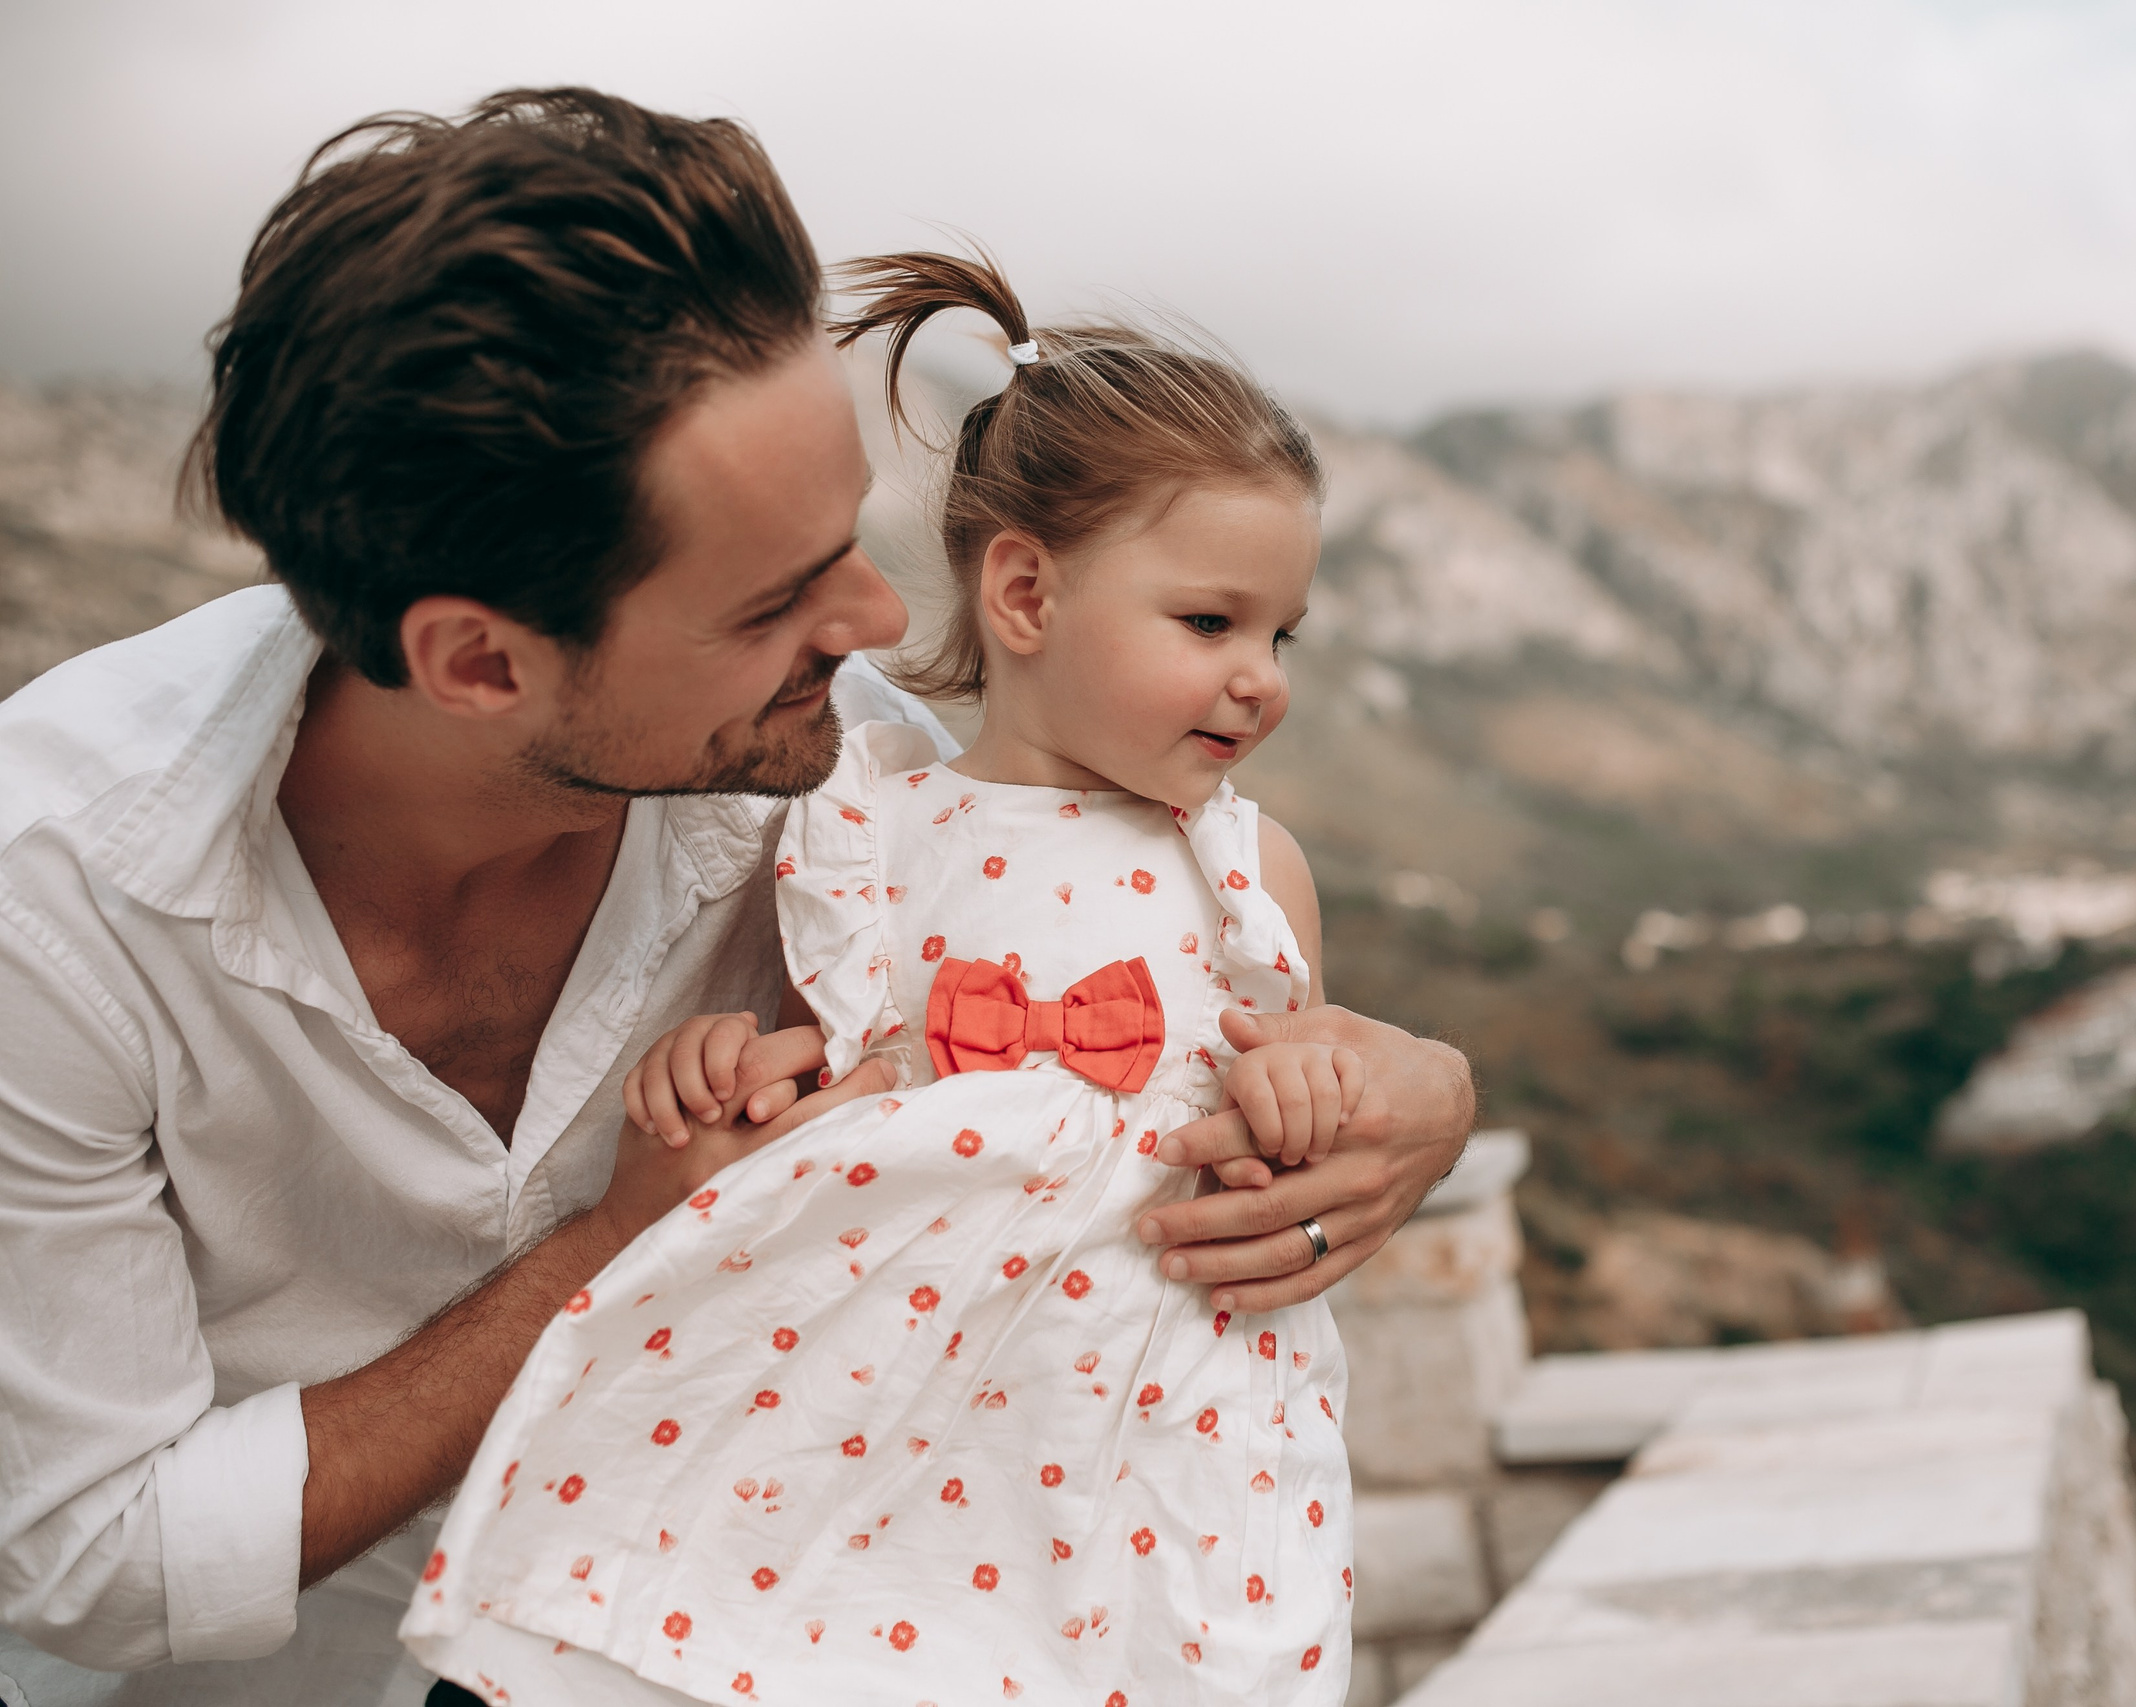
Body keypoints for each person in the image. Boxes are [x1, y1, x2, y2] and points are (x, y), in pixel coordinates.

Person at [0, 91, 1474, 1707]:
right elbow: (87, 1556)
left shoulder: (865, 788)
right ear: (481, 662)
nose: (876, 617)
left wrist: (1420, 1095)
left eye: (847, 536)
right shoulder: (54, 904)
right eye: (777, 597)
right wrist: (619, 1246)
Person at [405, 251, 1362, 1707]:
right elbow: (820, 1081)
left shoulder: (1246, 867)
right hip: (891, 1382)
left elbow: (1292, 1144)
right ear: (1027, 592)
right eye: (1211, 624)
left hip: (1150, 1376)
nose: (1262, 678)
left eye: (1279, 635)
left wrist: (1308, 1091)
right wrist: (721, 1070)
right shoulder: (869, 828)